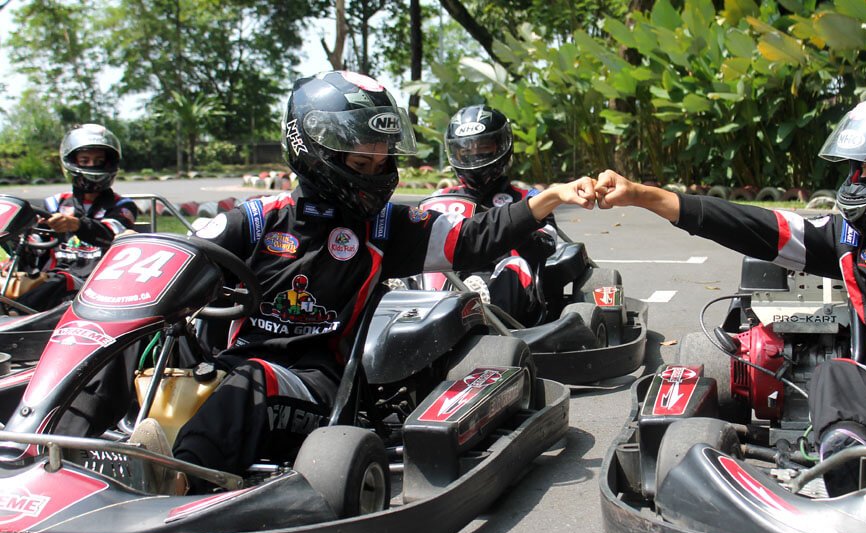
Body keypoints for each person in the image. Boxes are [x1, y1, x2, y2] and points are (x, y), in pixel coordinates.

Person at [170, 71, 595, 485]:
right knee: (142, 351)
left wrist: (549, 197)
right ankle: (117, 441)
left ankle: (176, 479)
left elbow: (473, 237)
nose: (376, 173)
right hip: (229, 367)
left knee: (251, 382)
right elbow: (180, 261)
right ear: (315, 152)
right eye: (361, 162)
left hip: (316, 387)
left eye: (381, 160)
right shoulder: (258, 220)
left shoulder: (385, 227)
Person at [593, 90, 866, 495]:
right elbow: (755, 227)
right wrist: (643, 196)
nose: (859, 178)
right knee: (837, 374)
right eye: (857, 166)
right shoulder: (849, 237)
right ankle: (847, 459)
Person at [435, 105, 556, 326]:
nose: (474, 154)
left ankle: (484, 315)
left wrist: (515, 224)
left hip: (504, 284)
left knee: (514, 263)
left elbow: (547, 243)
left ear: (501, 146)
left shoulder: (528, 198)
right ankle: (406, 300)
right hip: (449, 280)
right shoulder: (442, 198)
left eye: (483, 147)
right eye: (466, 150)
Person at [15, 123, 138, 311]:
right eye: (85, 160)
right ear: (72, 162)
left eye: (98, 160)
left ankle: (16, 316)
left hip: (98, 283)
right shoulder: (54, 204)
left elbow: (109, 234)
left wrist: (76, 224)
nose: (92, 166)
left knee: (63, 280)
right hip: (51, 281)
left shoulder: (122, 206)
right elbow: (34, 243)